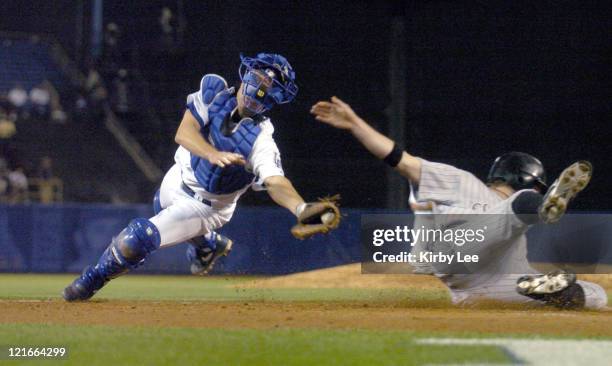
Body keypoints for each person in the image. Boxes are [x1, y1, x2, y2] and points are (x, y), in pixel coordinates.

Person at [63, 53, 340, 301]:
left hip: (208, 206)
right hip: (178, 176)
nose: (259, 89)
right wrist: (210, 153)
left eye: (269, 88)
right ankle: (207, 245)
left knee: (139, 237)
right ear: (247, 73)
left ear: (274, 99)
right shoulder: (215, 92)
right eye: (259, 78)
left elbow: (275, 181)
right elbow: (184, 133)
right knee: (161, 203)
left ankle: (92, 280)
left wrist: (300, 207)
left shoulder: (261, 140)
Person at [311, 96, 608, 310]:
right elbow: (400, 160)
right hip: (455, 248)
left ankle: (548, 293)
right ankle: (545, 208)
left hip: (475, 291)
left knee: (594, 294)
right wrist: (355, 124)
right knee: (518, 207)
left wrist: (554, 286)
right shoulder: (461, 180)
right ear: (528, 179)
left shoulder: (515, 237)